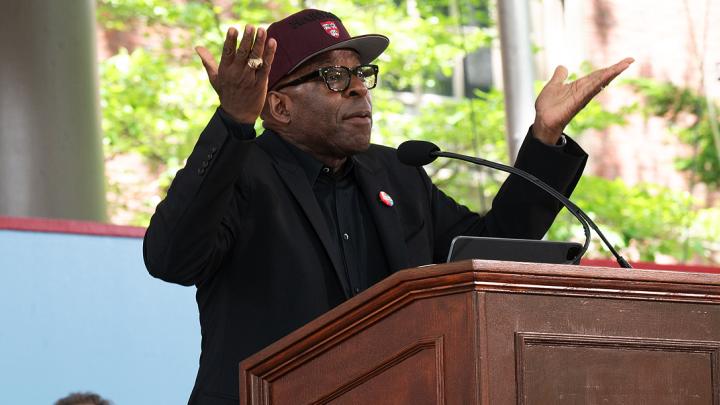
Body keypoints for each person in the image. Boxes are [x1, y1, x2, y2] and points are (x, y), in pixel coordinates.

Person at [143, 8, 633, 404]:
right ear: (279, 106)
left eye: (361, 74)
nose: (359, 89)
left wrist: (545, 138)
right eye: (334, 77)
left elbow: (490, 256)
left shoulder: (397, 174)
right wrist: (231, 122)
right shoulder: (241, 172)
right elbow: (171, 259)